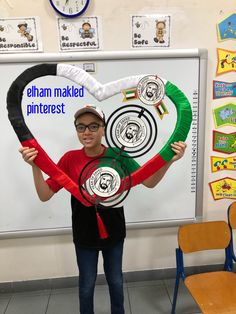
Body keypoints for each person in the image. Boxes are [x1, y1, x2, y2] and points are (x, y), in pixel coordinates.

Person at [19, 104, 186, 314]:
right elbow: (45, 195)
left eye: (93, 126)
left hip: (114, 233)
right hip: (84, 234)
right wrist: (35, 166)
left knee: (116, 282)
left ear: (104, 127)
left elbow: (150, 181)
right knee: (86, 287)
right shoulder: (70, 159)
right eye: (81, 127)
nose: (86, 132)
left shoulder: (119, 156)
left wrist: (169, 160)